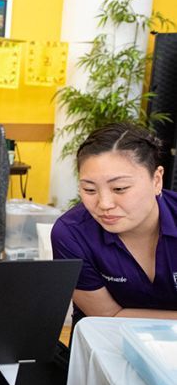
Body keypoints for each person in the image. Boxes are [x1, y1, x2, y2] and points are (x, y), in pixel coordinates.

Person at [51, 122, 177, 326]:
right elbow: (107, 317)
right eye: (90, 190)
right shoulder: (71, 233)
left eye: (119, 188)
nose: (104, 204)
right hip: (106, 346)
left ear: (156, 180)